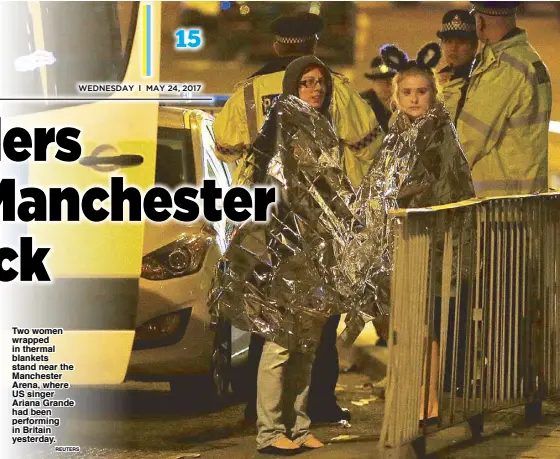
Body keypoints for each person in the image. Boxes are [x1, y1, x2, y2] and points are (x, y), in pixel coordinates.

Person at [214, 12, 378, 425]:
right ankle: (318, 403)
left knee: (263, 316)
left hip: (265, 219)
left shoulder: (248, 93)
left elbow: (225, 145)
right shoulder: (334, 89)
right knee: (320, 313)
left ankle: (258, 409)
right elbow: (368, 143)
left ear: (276, 47)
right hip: (322, 221)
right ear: (315, 47)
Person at [359, 42, 475, 423]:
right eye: (406, 92)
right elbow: (381, 182)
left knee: (429, 326)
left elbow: (451, 187)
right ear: (396, 95)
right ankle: (410, 391)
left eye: (421, 92)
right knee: (405, 325)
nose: (413, 99)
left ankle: (429, 399)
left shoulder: (441, 133)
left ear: (432, 93)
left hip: (433, 243)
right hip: (400, 243)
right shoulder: (395, 133)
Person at [456, 1, 552, 197]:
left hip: (500, 210)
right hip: (524, 202)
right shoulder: (528, 59)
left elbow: (466, 143)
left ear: (480, 22)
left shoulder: (503, 69)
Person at [436, 9, 478, 124]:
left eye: (461, 42)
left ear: (474, 46)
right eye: (448, 41)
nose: (453, 48)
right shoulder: (436, 79)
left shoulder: (479, 82)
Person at [361, 55, 395, 133]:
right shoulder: (361, 104)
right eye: (380, 81)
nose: (386, 86)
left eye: (390, 81)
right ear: (373, 83)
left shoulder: (407, 105)